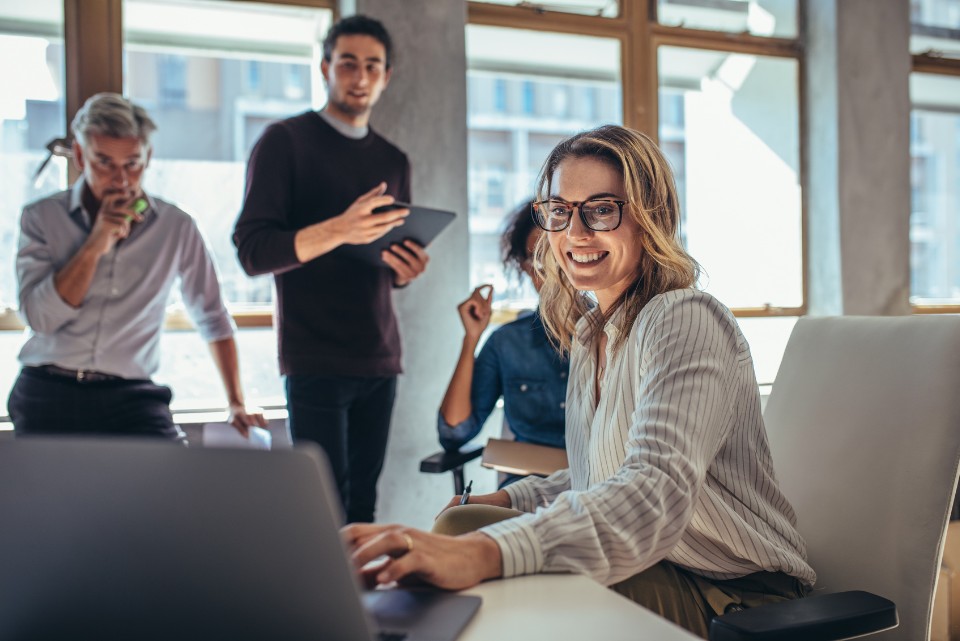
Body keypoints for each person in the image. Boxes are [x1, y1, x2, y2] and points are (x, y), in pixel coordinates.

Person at [343, 124, 815, 639]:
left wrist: (487, 552)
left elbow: (651, 491)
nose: (575, 234)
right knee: (460, 523)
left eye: (601, 209)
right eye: (560, 211)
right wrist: (509, 501)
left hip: (732, 593)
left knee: (499, 577)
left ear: (650, 217)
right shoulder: (591, 334)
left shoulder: (686, 318)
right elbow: (599, 474)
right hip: (661, 566)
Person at [232, 15, 429, 524]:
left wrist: (405, 268)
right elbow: (253, 251)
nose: (360, 77)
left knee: (363, 507)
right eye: (347, 63)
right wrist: (339, 228)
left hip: (380, 355)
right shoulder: (285, 141)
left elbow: (384, 259)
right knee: (324, 510)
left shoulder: (394, 158)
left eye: (372, 66)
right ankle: (324, 606)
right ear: (325, 67)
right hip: (313, 355)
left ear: (387, 76)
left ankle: (362, 607)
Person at [10, 92, 265, 440]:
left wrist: (237, 402)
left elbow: (212, 315)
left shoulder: (177, 226)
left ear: (148, 157)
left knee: (170, 486)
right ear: (81, 156)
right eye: (104, 163)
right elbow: (40, 319)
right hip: (48, 388)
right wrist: (94, 245)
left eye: (132, 164)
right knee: (52, 495)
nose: (121, 179)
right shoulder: (41, 218)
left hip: (131, 394)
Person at [437, 201, 567, 487]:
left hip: (597, 490)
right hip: (524, 490)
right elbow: (454, 432)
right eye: (538, 261)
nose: (551, 272)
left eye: (558, 258)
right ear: (524, 267)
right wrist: (471, 338)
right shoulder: (508, 342)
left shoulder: (614, 335)